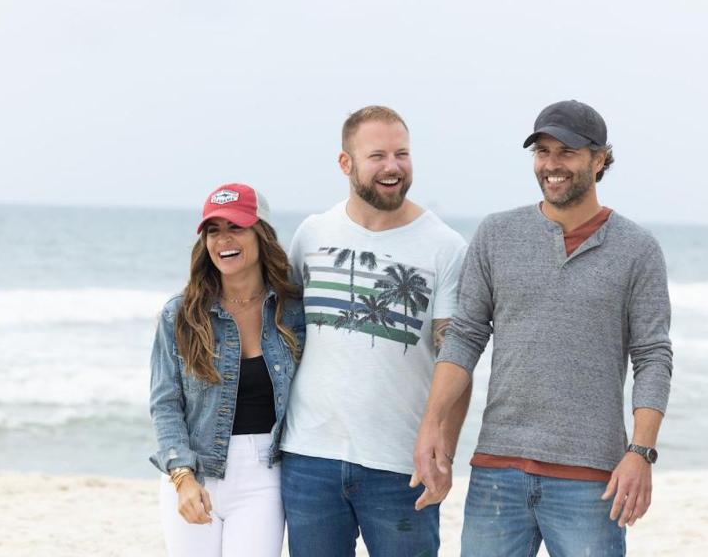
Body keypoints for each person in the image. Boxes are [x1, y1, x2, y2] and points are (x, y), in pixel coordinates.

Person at [413, 100, 673, 556]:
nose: (552, 165)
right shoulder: (496, 234)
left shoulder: (638, 249)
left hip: (590, 480)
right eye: (542, 151)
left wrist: (641, 453)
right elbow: (466, 336)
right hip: (497, 471)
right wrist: (432, 426)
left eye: (567, 152)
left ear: (599, 159)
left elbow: (652, 355)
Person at [279, 105, 470, 556]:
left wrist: (445, 453)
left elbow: (456, 360)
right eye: (377, 155)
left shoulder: (445, 247)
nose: (393, 167)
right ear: (346, 164)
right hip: (309, 458)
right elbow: (281, 334)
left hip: (401, 465)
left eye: (401, 154)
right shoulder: (311, 234)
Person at [149, 183, 305, 557]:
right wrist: (182, 477)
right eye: (213, 230)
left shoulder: (293, 310)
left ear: (260, 233)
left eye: (235, 227)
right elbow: (165, 404)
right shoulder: (181, 314)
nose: (223, 240)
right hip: (193, 474)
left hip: (264, 476)